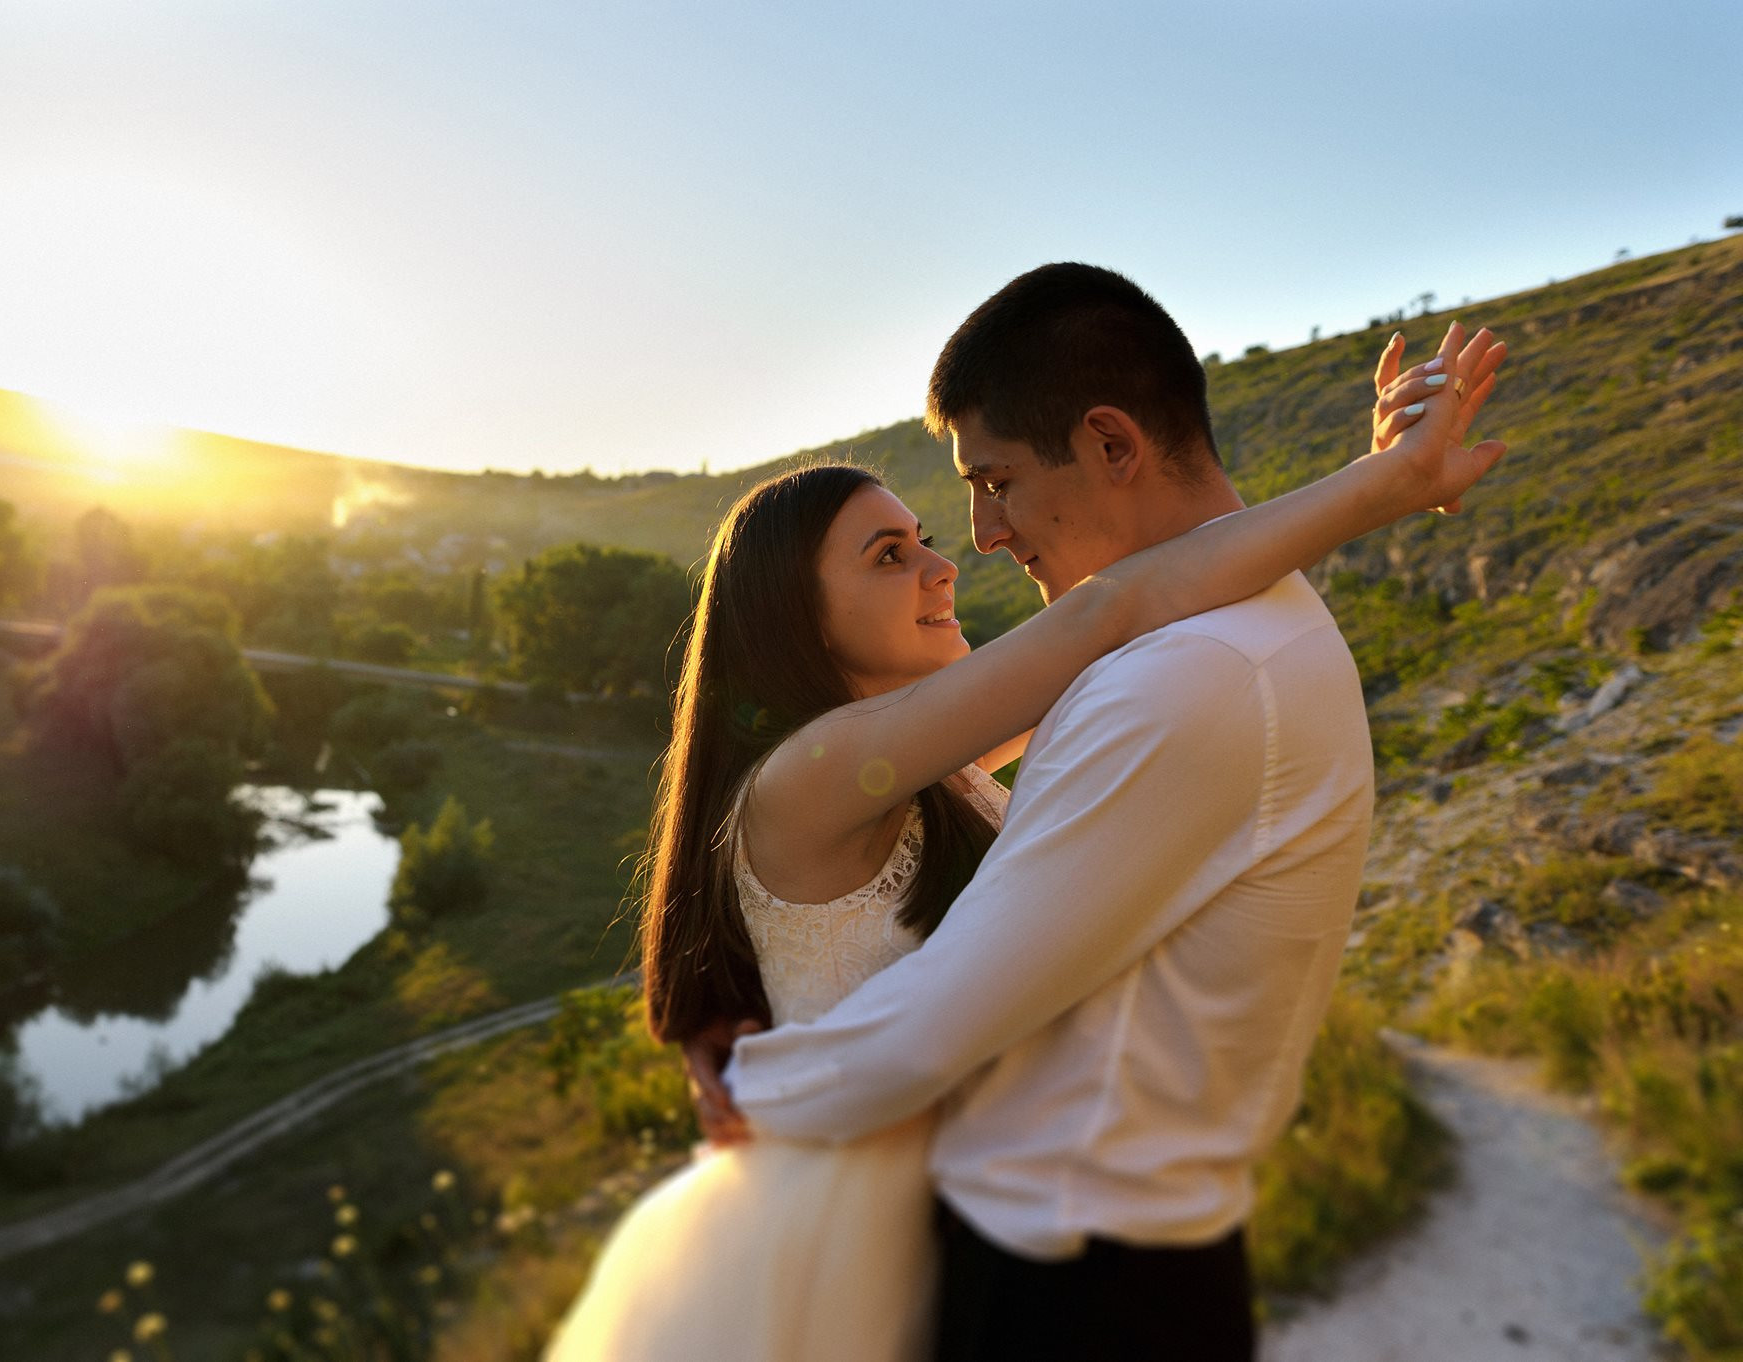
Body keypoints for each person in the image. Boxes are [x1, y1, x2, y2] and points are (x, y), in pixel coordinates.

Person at [549, 264, 1507, 1361]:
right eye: (890, 555)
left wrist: (1383, 481)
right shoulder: (828, 769)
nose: (959, 553)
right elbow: (1121, 606)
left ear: (1108, 445)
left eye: (986, 487)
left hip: (1004, 1236)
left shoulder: (1010, 728)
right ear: (791, 616)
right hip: (859, 1207)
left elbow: (1143, 606)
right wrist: (1380, 485)